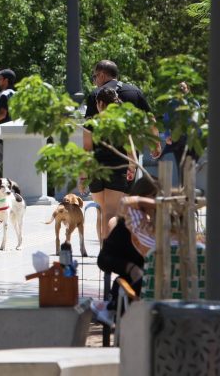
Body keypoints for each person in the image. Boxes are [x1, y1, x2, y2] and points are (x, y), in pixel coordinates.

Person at [92, 175, 158, 326]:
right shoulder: (127, 226)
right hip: (137, 288)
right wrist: (130, 267)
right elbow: (104, 259)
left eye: (160, 196)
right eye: (154, 196)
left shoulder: (168, 226)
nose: (157, 202)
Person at [80, 87, 137, 240]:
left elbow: (86, 151)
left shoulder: (90, 123)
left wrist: (83, 177)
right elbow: (129, 148)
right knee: (111, 212)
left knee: (103, 211)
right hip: (117, 170)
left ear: (99, 103)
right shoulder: (123, 122)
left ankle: (104, 249)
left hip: (95, 171)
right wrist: (133, 166)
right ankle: (108, 251)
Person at [159, 81, 199, 183]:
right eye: (179, 88)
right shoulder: (172, 104)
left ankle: (189, 189)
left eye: (184, 88)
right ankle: (183, 188)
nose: (181, 90)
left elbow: (197, 121)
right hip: (178, 139)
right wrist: (167, 135)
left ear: (188, 90)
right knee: (180, 165)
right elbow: (166, 120)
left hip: (191, 139)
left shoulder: (193, 102)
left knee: (191, 166)